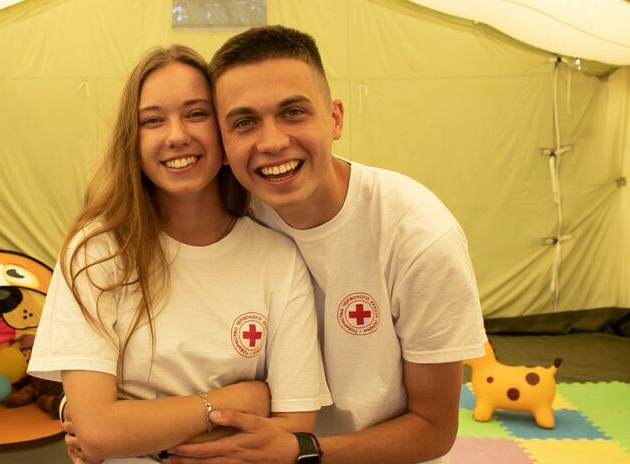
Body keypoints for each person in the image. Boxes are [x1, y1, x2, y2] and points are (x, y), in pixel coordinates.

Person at [158, 26, 488, 464]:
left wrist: (300, 451)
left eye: (293, 112)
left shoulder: (419, 236)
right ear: (221, 143)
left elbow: (434, 429)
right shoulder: (224, 217)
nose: (272, 143)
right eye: (244, 122)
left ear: (334, 118)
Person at [27, 44, 332, 464]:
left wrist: (137, 430)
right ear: (132, 140)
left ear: (226, 132)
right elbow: (97, 432)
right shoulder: (96, 252)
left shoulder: (277, 258)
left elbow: (293, 427)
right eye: (152, 120)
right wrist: (242, 398)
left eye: (196, 113)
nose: (176, 136)